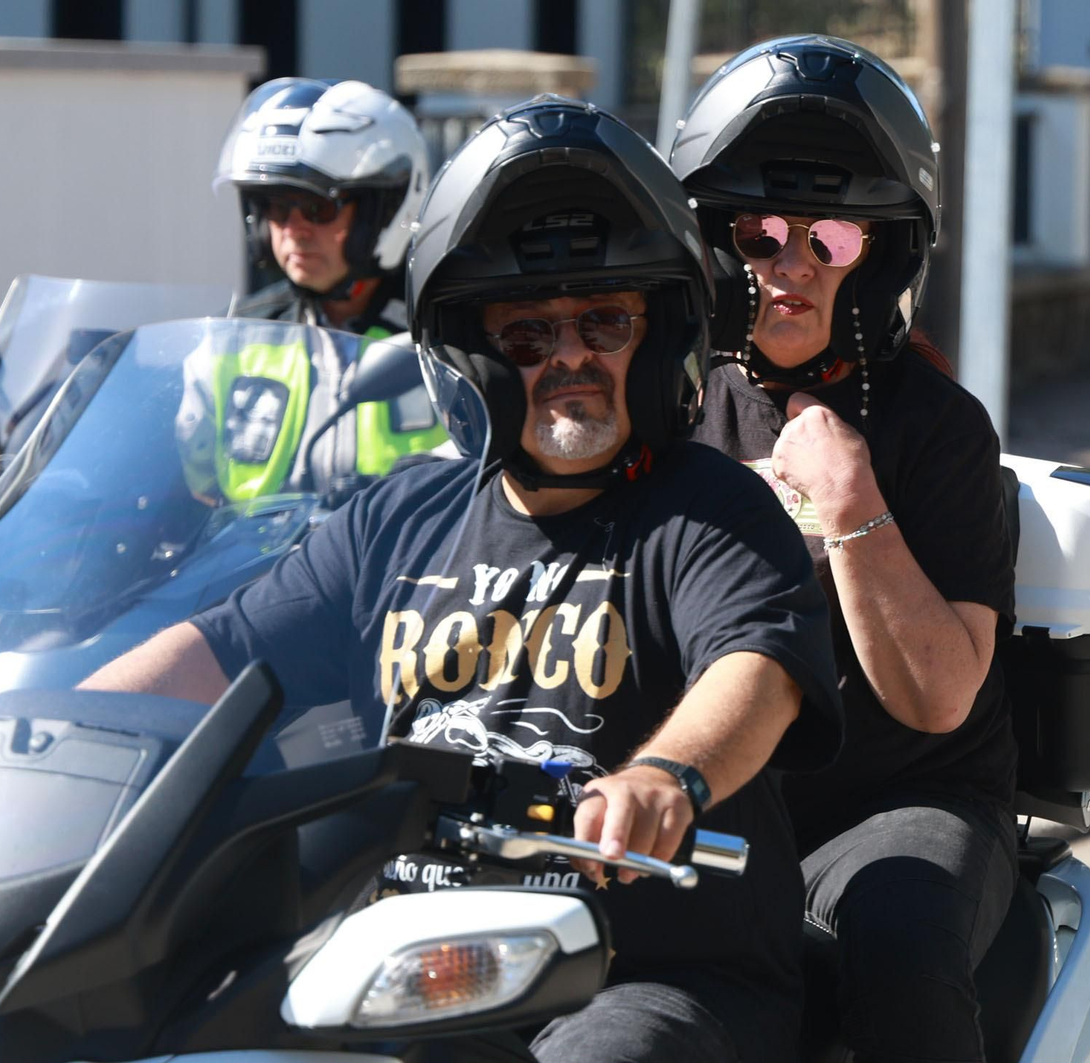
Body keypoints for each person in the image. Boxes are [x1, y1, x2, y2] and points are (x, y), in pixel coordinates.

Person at [87, 95, 842, 1063]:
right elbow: (222, 651)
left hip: (646, 971)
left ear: (656, 340)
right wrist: (40, 734)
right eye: (529, 333)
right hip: (408, 965)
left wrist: (665, 776)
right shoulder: (395, 519)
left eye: (605, 320)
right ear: (474, 357)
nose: (570, 354)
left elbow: (756, 664)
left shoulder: (707, 507)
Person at [670, 36, 1019, 1063]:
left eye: (829, 236)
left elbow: (939, 696)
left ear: (882, 254)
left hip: (902, 799)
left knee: (897, 937)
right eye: (759, 229)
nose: (788, 264)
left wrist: (851, 494)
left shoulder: (937, 426)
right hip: (718, 795)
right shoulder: (670, 415)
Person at [205, 77, 446, 496]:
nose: (293, 231)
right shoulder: (237, 334)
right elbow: (186, 480)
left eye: (318, 208)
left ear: (383, 209)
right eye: (277, 208)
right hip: (261, 559)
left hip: (406, 556)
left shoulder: (443, 332)